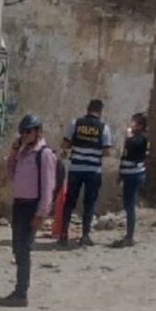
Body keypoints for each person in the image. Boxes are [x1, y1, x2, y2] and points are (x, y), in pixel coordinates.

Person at [0, 114, 57, 307]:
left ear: (38, 132)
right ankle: (19, 290)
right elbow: (12, 174)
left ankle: (21, 292)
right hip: (20, 205)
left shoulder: (44, 154)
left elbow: (48, 187)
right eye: (22, 132)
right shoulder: (23, 152)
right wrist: (14, 153)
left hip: (32, 206)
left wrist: (41, 214)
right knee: (17, 247)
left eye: (28, 131)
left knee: (23, 249)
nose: (24, 135)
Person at [60, 99, 113, 247]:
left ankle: (63, 234)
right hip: (93, 171)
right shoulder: (104, 127)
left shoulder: (75, 123)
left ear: (87, 109)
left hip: (76, 168)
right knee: (89, 203)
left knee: (69, 202)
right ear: (100, 112)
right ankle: (85, 235)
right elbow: (107, 152)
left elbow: (65, 144)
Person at [113, 113, 148, 248]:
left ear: (140, 126)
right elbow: (125, 156)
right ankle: (129, 235)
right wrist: (121, 174)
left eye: (134, 123)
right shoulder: (134, 138)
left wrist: (128, 137)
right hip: (128, 174)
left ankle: (130, 237)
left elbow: (133, 146)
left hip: (134, 175)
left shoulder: (141, 138)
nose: (131, 125)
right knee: (128, 204)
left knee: (130, 205)